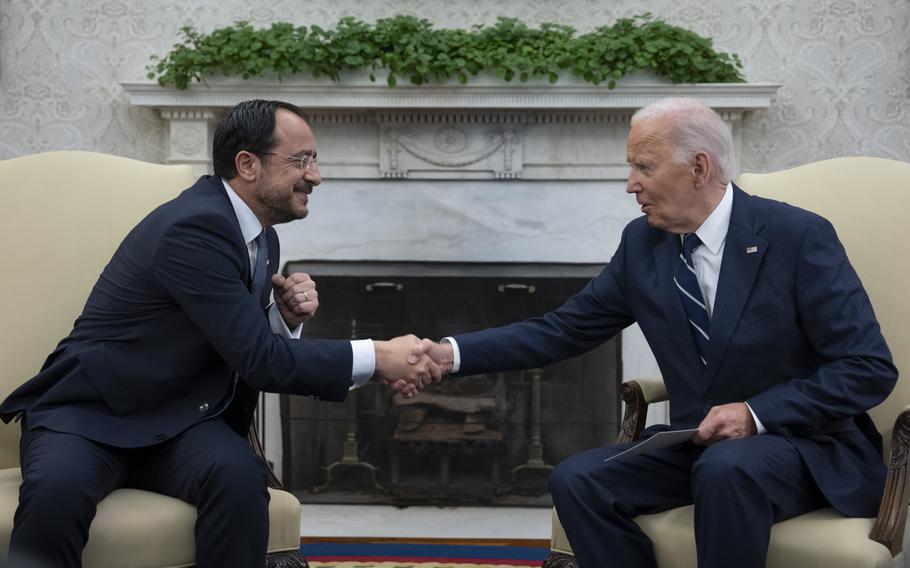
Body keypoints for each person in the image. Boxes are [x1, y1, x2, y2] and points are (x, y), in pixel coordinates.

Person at [417, 97, 897, 567]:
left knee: (727, 469)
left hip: (805, 448)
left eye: (644, 167)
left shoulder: (797, 236)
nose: (631, 185)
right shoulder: (642, 244)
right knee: (578, 479)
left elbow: (867, 368)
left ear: (698, 167)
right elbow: (562, 330)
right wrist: (449, 355)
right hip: (699, 446)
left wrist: (754, 414)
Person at [0, 99, 438, 567]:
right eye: (301, 160)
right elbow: (261, 361)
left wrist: (284, 320)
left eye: (315, 160)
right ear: (247, 164)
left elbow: (234, 338)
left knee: (239, 479)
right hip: (88, 416)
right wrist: (379, 355)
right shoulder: (195, 227)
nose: (315, 176)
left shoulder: (260, 235)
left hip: (177, 422)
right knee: (56, 496)